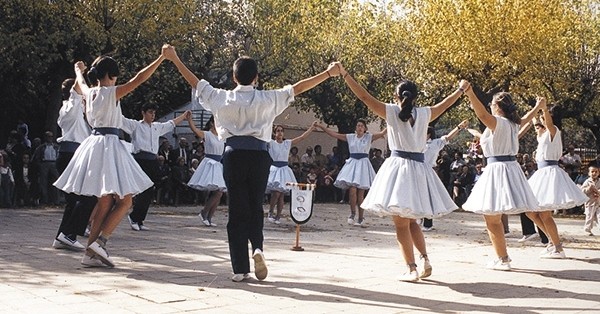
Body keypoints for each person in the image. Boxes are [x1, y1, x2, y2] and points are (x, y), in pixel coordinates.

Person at [166, 45, 339, 282]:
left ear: (234, 76)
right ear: (256, 77)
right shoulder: (267, 98)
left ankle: (240, 268)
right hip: (259, 155)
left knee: (237, 209)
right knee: (256, 205)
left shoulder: (221, 97)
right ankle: (257, 247)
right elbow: (298, 87)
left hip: (233, 154)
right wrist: (327, 73)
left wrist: (174, 58)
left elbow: (196, 82)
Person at [339, 62, 466, 281]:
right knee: (412, 220)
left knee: (400, 223)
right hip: (418, 169)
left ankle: (411, 268)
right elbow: (445, 105)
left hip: (398, 168)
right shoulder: (425, 113)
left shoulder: (391, 110)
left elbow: (365, 98)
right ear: (415, 97)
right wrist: (461, 90)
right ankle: (425, 258)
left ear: (395, 95)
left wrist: (345, 75)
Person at [54, 46, 168, 267]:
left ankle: (89, 252)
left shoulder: (90, 93)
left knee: (105, 201)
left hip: (94, 144)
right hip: (109, 145)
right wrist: (161, 58)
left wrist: (78, 70)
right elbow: (140, 78)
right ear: (111, 75)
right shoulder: (111, 92)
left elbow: (82, 82)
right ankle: (100, 242)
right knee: (126, 200)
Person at [462, 87, 543, 271]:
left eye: (492, 103)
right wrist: (538, 106)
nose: (490, 106)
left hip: (497, 169)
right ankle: (503, 257)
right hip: (509, 168)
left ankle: (502, 258)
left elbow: (482, 115)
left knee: (491, 217)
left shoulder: (498, 122)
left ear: (498, 107)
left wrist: (470, 92)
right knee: (493, 216)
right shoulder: (513, 123)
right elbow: (527, 118)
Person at [121, 104, 190, 231]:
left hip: (152, 160)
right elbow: (120, 120)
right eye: (150, 112)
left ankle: (139, 219)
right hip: (140, 159)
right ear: (143, 112)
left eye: (154, 113)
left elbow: (171, 123)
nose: (152, 115)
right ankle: (134, 217)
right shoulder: (136, 125)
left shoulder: (157, 127)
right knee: (141, 189)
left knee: (150, 189)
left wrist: (184, 116)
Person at [52, 78, 97, 251]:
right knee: (88, 196)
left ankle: (62, 236)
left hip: (72, 154)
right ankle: (69, 234)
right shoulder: (71, 107)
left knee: (73, 200)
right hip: (71, 154)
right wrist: (80, 72)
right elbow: (76, 92)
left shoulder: (76, 110)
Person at [316, 120, 386, 227]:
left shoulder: (368, 137)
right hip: (353, 164)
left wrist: (392, 122)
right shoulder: (350, 137)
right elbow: (335, 134)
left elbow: (382, 133)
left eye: (362, 126)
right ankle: (352, 213)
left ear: (365, 129)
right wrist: (322, 127)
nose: (360, 128)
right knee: (352, 190)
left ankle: (361, 217)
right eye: (358, 126)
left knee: (361, 194)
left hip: (363, 165)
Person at [422, 120, 468, 231]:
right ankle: (416, 219)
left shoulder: (436, 143)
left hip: (428, 171)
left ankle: (427, 223)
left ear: (428, 133)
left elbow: (448, 137)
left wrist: (458, 127)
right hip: (416, 169)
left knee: (428, 196)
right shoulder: (417, 143)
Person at [266, 123, 316, 224]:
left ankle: (278, 216)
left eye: (281, 131)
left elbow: (301, 137)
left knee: (281, 194)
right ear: (275, 133)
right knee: (276, 192)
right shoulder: (270, 143)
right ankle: (270, 212)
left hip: (284, 169)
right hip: (275, 168)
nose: (280, 133)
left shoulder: (287, 143)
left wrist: (311, 129)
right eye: (278, 131)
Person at [187, 116, 226, 227]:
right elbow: (195, 130)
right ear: (211, 123)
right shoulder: (207, 134)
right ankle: (204, 212)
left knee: (219, 192)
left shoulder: (222, 136)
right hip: (210, 162)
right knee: (218, 192)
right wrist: (190, 120)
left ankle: (208, 217)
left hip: (218, 164)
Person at [581, 163, 600, 236]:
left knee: (599, 216)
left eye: (596, 171)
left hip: (598, 202)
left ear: (598, 172)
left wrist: (598, 192)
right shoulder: (587, 182)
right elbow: (582, 191)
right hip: (590, 203)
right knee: (589, 217)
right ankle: (587, 229)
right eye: (592, 172)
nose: (594, 173)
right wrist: (589, 189)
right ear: (589, 173)